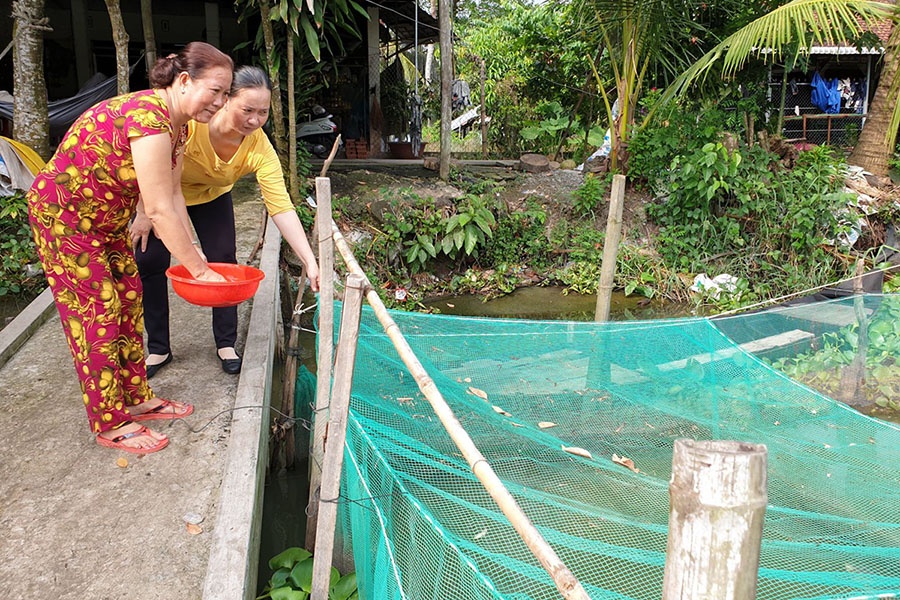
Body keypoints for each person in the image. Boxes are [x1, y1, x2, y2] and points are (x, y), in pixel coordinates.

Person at [27, 42, 234, 455]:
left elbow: (174, 197)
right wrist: (198, 270)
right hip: (63, 219)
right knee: (98, 310)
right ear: (184, 80)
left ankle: (136, 395)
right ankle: (109, 420)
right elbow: (157, 209)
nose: (221, 101)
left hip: (104, 221)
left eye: (226, 93)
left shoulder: (180, 124)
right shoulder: (148, 117)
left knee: (129, 296)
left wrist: (199, 258)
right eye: (216, 89)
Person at [132, 65, 321, 377]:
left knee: (223, 260)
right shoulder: (191, 125)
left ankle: (226, 343)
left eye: (262, 113)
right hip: (162, 196)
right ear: (225, 100)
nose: (254, 120)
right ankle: (159, 348)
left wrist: (308, 260)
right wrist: (142, 212)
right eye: (247, 109)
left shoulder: (259, 145)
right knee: (150, 260)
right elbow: (148, 164)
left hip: (212, 197)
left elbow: (281, 207)